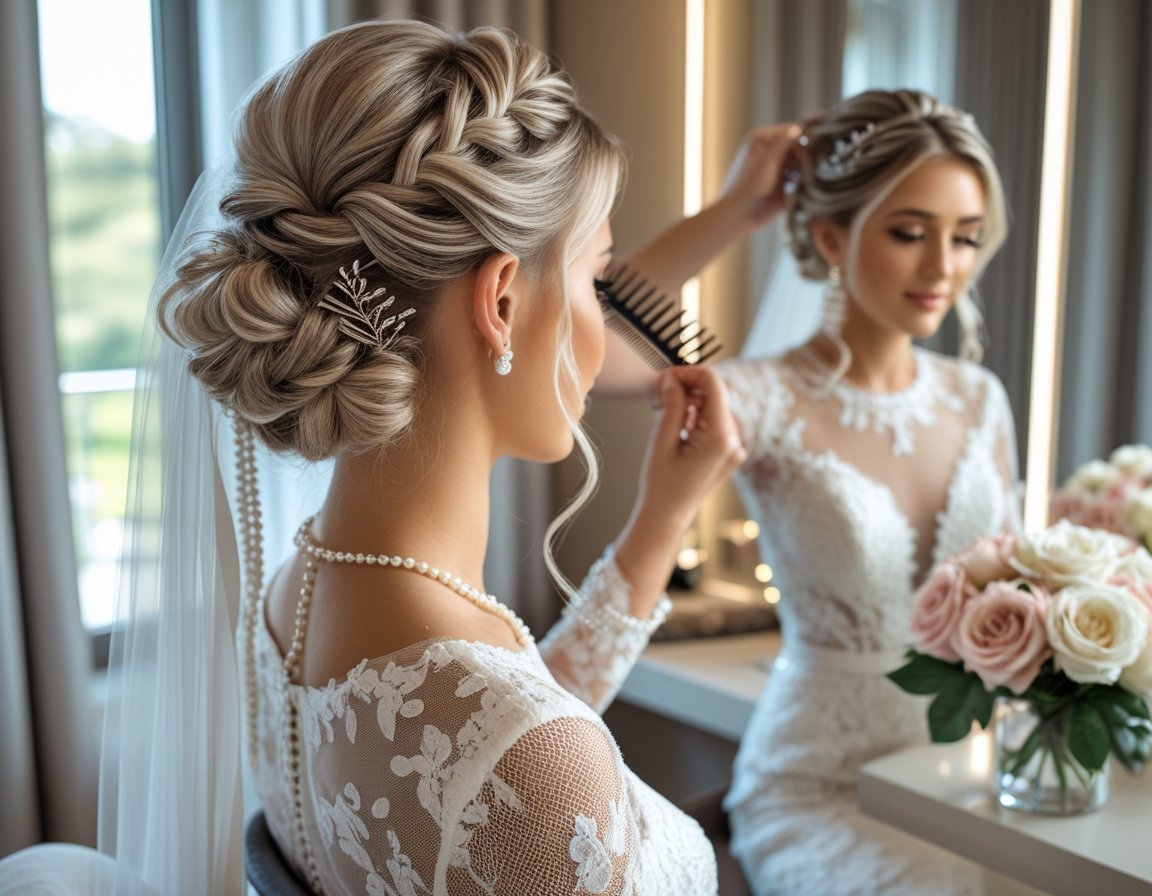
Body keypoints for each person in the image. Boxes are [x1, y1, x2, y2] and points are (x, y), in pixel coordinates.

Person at [89, 18, 759, 896]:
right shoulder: (527, 757)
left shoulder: (298, 597)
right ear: (502, 302)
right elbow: (511, 752)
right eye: (595, 280)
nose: (604, 332)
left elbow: (486, 741)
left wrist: (661, 521)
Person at [602, 89, 1021, 895]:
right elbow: (585, 350)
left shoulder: (979, 399)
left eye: (965, 237)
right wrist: (736, 210)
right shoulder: (759, 397)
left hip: (961, 782)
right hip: (819, 789)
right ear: (830, 236)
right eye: (910, 233)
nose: (943, 268)